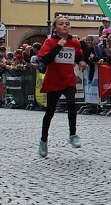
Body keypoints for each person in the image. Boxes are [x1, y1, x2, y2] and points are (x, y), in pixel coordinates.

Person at [37, 16, 88, 158]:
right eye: (61, 24)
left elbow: (79, 56)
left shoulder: (74, 42)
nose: (65, 26)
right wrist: (58, 46)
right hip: (54, 80)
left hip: (68, 79)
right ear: (54, 28)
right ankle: (43, 140)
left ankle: (73, 134)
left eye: (67, 24)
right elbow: (45, 60)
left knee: (71, 103)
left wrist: (82, 62)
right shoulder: (49, 41)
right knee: (50, 112)